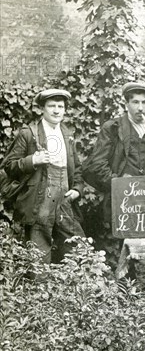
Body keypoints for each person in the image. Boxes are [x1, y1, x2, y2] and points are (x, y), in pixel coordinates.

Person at [82, 80, 145, 317]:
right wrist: (120, 183)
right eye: (135, 102)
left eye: (144, 103)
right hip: (124, 203)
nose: (140, 107)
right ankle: (129, 308)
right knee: (127, 254)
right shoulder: (113, 128)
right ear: (126, 104)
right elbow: (95, 166)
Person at [4, 88, 85, 263]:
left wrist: (77, 189)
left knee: (76, 249)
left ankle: (72, 289)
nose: (56, 110)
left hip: (64, 201)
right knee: (38, 253)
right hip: (39, 201)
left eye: (60, 106)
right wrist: (32, 160)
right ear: (42, 108)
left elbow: (77, 168)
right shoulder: (29, 134)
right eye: (51, 106)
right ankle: (37, 289)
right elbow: (8, 166)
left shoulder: (67, 135)